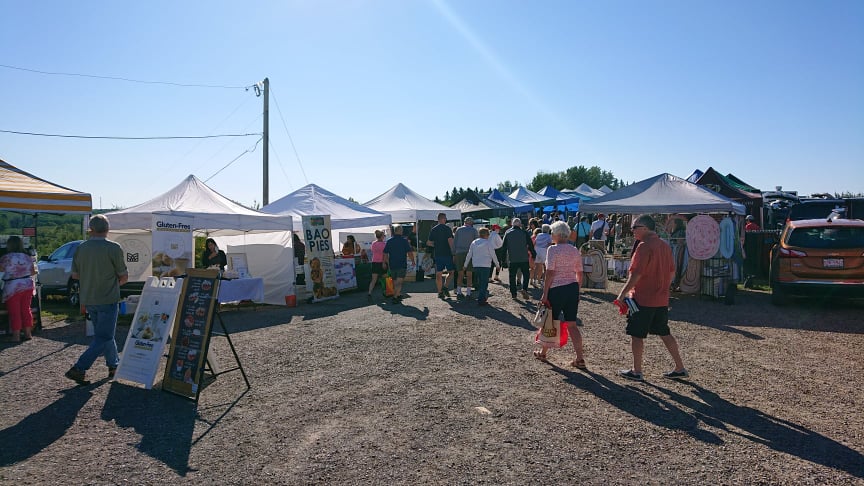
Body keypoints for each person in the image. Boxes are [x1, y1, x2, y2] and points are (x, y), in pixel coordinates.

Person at [616, 214, 688, 381]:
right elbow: (672, 272)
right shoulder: (664, 245)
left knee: (636, 334)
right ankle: (680, 367)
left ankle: (637, 370)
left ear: (645, 228)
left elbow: (636, 274)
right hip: (661, 299)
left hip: (643, 298)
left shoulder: (644, 247)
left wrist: (622, 293)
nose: (632, 230)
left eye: (635, 227)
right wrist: (663, 287)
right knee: (664, 332)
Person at [65, 215, 129, 383]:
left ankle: (114, 366)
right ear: (108, 229)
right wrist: (113, 283)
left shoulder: (81, 248)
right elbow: (124, 276)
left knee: (104, 335)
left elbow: (75, 275)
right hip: (108, 298)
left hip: (89, 298)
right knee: (104, 337)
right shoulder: (114, 248)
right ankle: (79, 368)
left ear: (91, 229)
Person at [537, 221, 585, 367]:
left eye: (552, 233)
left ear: (557, 234)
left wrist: (545, 293)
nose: (551, 235)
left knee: (550, 322)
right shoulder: (574, 250)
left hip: (557, 288)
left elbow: (550, 272)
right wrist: (578, 290)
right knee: (572, 324)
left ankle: (543, 353)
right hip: (572, 287)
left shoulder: (553, 250)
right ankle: (580, 358)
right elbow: (580, 272)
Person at [0, 236, 37, 342]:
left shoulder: (6, 258)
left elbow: (1, 271)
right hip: (27, 285)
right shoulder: (27, 257)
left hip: (13, 287)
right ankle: (28, 334)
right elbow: (33, 272)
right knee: (26, 309)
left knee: (14, 311)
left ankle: (16, 336)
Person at [463, 228, 500, 306]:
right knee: (484, 283)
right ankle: (481, 299)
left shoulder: (474, 242)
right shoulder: (488, 243)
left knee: (480, 282)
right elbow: (493, 255)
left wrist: (465, 265)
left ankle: (481, 297)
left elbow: (469, 254)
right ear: (486, 235)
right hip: (486, 265)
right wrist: (497, 265)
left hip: (476, 265)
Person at [502, 218, 536, 300]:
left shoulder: (507, 233)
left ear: (512, 224)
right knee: (526, 274)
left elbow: (504, 247)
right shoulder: (524, 233)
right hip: (524, 258)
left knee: (512, 276)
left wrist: (503, 260)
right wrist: (533, 254)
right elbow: (530, 244)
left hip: (512, 258)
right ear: (520, 224)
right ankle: (524, 289)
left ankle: (514, 293)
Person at [427, 212, 455, 299]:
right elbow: (450, 241)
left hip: (438, 254)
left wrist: (436, 245)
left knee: (438, 274)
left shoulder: (433, 229)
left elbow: (429, 243)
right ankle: (445, 287)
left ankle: (440, 292)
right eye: (445, 218)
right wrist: (453, 252)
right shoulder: (447, 229)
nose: (446, 219)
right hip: (447, 254)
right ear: (443, 219)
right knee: (451, 272)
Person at [383, 225, 414, 304]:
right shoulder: (404, 241)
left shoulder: (389, 241)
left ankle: (398, 294)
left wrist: (384, 262)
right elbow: (409, 252)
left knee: (395, 281)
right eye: (402, 230)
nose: (402, 231)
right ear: (400, 231)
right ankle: (395, 297)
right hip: (401, 264)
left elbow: (385, 253)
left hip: (392, 264)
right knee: (399, 282)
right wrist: (413, 261)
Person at [453, 216, 478, 301]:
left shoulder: (458, 230)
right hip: (470, 253)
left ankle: (459, 292)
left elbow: (454, 243)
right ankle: (468, 293)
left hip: (459, 253)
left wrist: (454, 254)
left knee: (460, 273)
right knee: (469, 274)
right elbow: (476, 243)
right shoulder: (474, 230)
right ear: (471, 223)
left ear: (464, 222)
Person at [367, 230, 387, 302]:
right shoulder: (384, 244)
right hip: (381, 262)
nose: (384, 237)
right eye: (384, 236)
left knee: (373, 280)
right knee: (385, 278)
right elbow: (385, 255)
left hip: (374, 262)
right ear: (381, 236)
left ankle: (369, 293)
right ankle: (385, 292)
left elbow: (373, 252)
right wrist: (384, 263)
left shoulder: (373, 243)